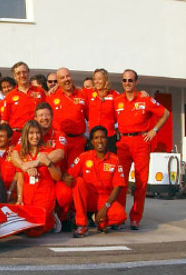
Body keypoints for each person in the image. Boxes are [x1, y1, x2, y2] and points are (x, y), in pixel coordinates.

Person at [115, 69, 169, 229]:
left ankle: (135, 218)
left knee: (141, 183)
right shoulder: (117, 100)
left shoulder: (144, 99)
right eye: (124, 80)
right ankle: (118, 217)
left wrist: (154, 130)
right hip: (123, 143)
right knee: (120, 182)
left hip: (141, 141)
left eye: (130, 80)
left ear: (136, 82)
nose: (127, 83)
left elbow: (165, 113)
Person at [63, 126, 127, 238]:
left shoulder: (115, 160)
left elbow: (118, 187)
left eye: (102, 137)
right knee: (78, 182)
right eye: (96, 138)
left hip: (104, 199)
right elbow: (69, 174)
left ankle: (99, 219)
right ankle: (82, 225)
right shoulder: (84, 157)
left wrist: (105, 207)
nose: (100, 141)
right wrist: (66, 178)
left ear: (107, 139)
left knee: (120, 215)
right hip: (88, 198)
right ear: (92, 141)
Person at [14, 119, 62, 235]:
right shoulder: (22, 154)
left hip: (44, 196)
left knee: (34, 231)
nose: (35, 136)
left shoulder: (48, 151)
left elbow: (57, 177)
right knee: (22, 228)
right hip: (27, 197)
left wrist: (48, 163)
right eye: (31, 133)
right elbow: (20, 179)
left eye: (37, 133)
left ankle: (51, 220)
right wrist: (20, 198)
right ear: (26, 135)